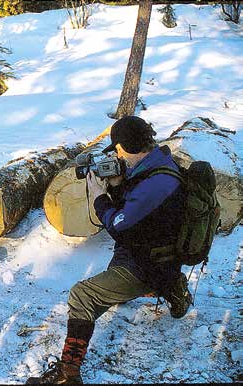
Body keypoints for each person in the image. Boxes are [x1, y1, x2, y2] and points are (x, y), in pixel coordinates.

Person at [28, 116, 193, 384]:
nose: (116, 154)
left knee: (82, 296)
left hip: (147, 264)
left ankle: (68, 373)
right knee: (116, 276)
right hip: (154, 254)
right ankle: (171, 286)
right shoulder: (157, 164)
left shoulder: (157, 183)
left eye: (117, 148)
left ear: (126, 146)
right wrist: (117, 185)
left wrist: (99, 198)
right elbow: (139, 211)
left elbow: (119, 225)